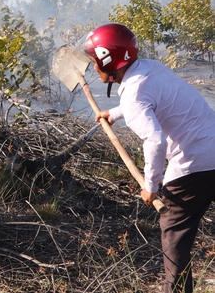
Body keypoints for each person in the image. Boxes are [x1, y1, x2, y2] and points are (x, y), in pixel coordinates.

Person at [80, 22, 215, 293]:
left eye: (94, 59)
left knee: (174, 234)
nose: (93, 66)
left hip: (193, 164)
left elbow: (155, 141)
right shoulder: (152, 68)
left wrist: (151, 187)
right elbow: (151, 99)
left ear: (107, 61)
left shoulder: (133, 94)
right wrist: (115, 113)